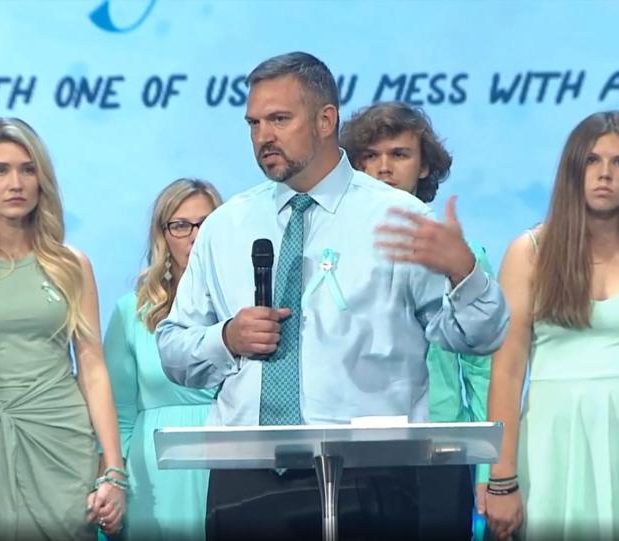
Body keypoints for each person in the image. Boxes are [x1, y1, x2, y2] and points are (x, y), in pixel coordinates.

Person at [157, 51, 509, 541]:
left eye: (279, 119)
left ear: (326, 120)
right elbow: (173, 348)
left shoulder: (398, 218)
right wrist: (227, 338)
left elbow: (478, 336)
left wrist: (463, 271)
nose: (264, 136)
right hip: (248, 478)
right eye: (254, 122)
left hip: (373, 478)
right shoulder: (225, 226)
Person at [480, 111, 619, 541]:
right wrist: (502, 479)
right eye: (592, 160)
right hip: (555, 445)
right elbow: (507, 373)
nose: (605, 174)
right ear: (572, 169)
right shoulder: (529, 253)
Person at [0, 118, 127, 539]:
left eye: (27, 169)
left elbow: (91, 365)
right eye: (0, 170)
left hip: (61, 443)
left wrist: (113, 469)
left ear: (42, 181)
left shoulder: (72, 264)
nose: (15, 182)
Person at [341, 101, 494, 539]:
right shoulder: (329, 256)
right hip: (353, 450)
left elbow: (483, 372)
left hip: (438, 450)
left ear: (425, 166)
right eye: (369, 157)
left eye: (399, 155)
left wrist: (489, 471)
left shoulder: (464, 260)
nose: (383, 168)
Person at [104, 178, 223, 540]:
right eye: (181, 225)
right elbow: (119, 412)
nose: (194, 235)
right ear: (163, 235)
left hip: (227, 464)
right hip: (152, 473)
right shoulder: (131, 312)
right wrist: (114, 481)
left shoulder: (243, 307)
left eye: (206, 223)